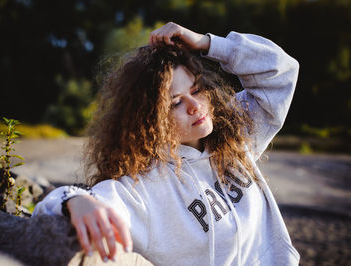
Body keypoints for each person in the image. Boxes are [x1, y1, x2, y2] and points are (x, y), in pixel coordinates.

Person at [33, 22, 300, 265]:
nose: (195, 107)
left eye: (196, 90)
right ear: (149, 120)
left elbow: (281, 73)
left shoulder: (235, 134)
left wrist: (208, 43)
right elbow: (56, 205)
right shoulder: (144, 189)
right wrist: (76, 201)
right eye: (175, 103)